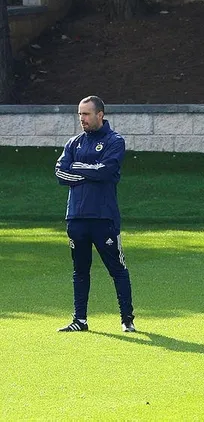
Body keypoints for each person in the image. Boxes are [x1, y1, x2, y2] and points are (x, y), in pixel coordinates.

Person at [55, 95, 135, 333]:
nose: (82, 118)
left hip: (103, 217)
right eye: (80, 114)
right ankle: (80, 320)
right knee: (80, 270)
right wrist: (89, 172)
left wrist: (78, 168)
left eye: (86, 114)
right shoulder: (74, 143)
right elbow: (60, 172)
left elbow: (106, 171)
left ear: (100, 115)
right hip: (76, 217)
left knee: (117, 269)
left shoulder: (114, 141)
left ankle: (127, 319)